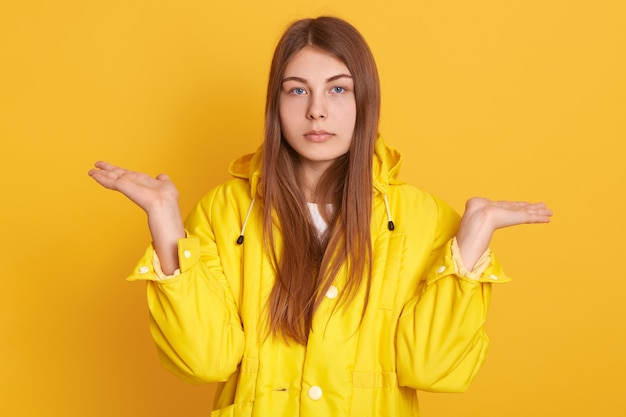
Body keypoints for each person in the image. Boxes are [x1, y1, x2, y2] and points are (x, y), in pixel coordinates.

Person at [88, 16, 552, 417]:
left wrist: (472, 240)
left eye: (338, 88)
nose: (316, 110)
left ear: (364, 101)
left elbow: (432, 368)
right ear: (276, 104)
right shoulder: (227, 211)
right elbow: (203, 360)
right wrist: (165, 220)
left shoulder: (421, 218)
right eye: (297, 90)